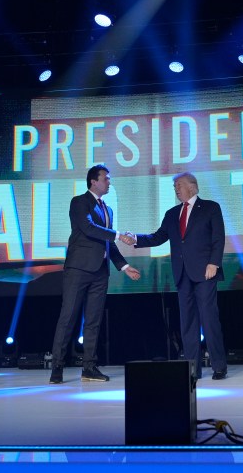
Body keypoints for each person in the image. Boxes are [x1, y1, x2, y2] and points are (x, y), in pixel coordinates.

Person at [124, 172, 228, 380]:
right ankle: (192, 368)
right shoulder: (172, 214)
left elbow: (218, 237)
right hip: (182, 274)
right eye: (174, 186)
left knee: (209, 320)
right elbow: (158, 236)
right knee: (187, 323)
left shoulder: (210, 207)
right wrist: (135, 238)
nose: (176, 188)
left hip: (205, 272)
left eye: (178, 184)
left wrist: (214, 263)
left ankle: (219, 366)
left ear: (192, 186)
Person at [49, 164, 140, 384]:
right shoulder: (79, 202)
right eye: (106, 179)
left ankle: (89, 367)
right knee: (68, 317)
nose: (109, 182)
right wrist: (119, 235)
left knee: (93, 321)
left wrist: (124, 266)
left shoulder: (107, 209)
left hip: (100, 272)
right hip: (78, 269)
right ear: (94, 181)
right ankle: (57, 368)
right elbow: (89, 229)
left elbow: (106, 242)